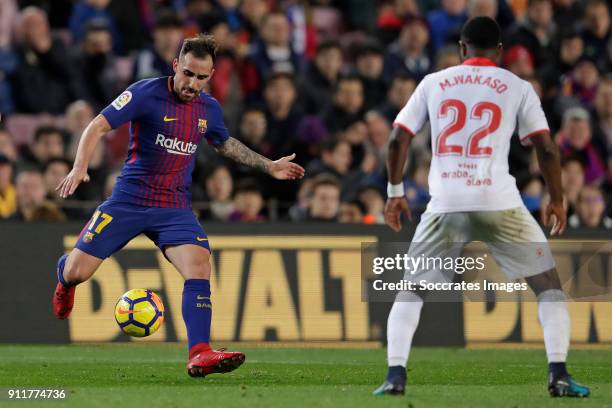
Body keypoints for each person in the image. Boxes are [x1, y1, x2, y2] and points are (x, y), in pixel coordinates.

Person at [52, 34, 304, 377]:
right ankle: (64, 276)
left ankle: (199, 352)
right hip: (129, 200)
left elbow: (225, 143)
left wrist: (269, 165)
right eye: (188, 74)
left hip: (174, 208)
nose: (193, 83)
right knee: (78, 272)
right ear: (175, 66)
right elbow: (97, 125)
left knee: (199, 266)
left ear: (211, 75)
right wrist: (80, 167)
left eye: (202, 77)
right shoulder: (145, 92)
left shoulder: (209, 109)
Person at [374, 17, 590, 398]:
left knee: (411, 289)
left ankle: (395, 376)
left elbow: (397, 139)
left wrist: (395, 192)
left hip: (446, 203)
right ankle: (558, 373)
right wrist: (556, 198)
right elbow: (546, 147)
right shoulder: (517, 86)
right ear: (501, 51)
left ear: (461, 48)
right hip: (499, 201)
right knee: (548, 286)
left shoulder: (433, 82)